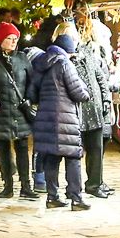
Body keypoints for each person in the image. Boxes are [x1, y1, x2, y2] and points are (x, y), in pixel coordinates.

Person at [29, 26, 91, 211]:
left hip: (45, 118)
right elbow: (78, 92)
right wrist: (86, 93)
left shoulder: (40, 63)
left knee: (51, 158)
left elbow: (32, 93)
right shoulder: (65, 64)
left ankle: (52, 196)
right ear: (68, 51)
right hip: (65, 118)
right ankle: (76, 198)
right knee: (73, 157)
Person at [0, 22, 36, 199]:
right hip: (0, 111)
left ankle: (26, 185)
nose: (13, 42)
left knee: (22, 148)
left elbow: (32, 83)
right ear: (0, 40)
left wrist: (30, 100)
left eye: (15, 39)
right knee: (3, 150)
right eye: (9, 38)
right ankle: (8, 185)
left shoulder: (22, 58)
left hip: (20, 111)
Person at [73, 14, 115, 198]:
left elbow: (100, 78)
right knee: (74, 152)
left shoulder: (89, 52)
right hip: (77, 111)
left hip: (96, 109)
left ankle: (94, 184)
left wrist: (106, 99)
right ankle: (70, 187)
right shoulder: (67, 58)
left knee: (96, 150)